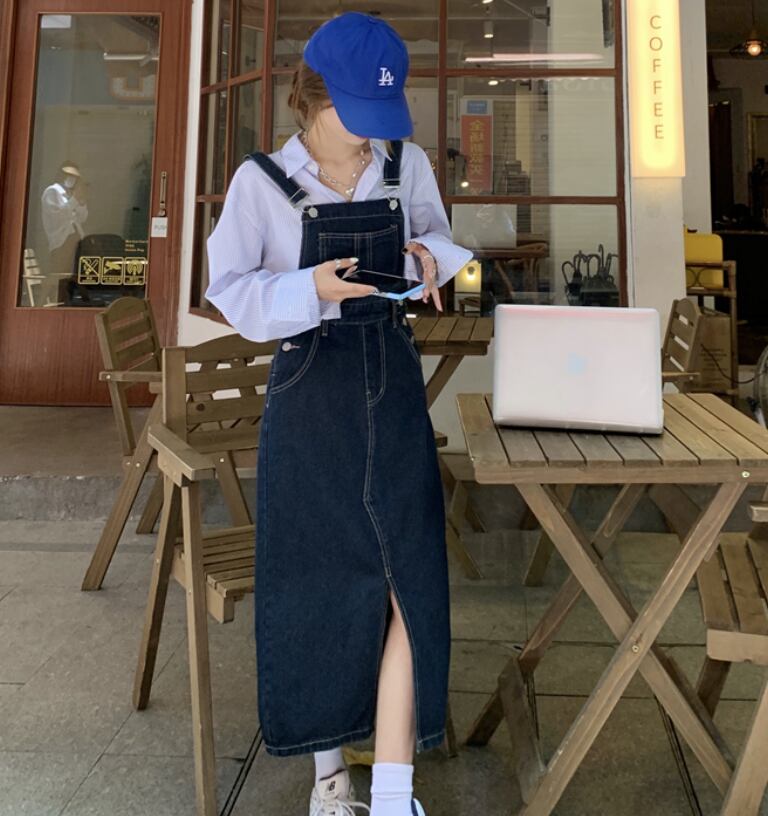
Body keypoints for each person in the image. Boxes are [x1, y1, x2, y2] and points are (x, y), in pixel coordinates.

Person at [205, 12, 473, 816]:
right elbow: (229, 291)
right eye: (359, 112)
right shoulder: (261, 182)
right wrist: (309, 289)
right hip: (308, 387)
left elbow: (441, 237)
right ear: (314, 97)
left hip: (391, 374)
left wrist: (428, 259)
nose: (372, 131)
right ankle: (331, 780)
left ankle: (394, 793)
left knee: (407, 576)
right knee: (320, 581)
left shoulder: (403, 162)